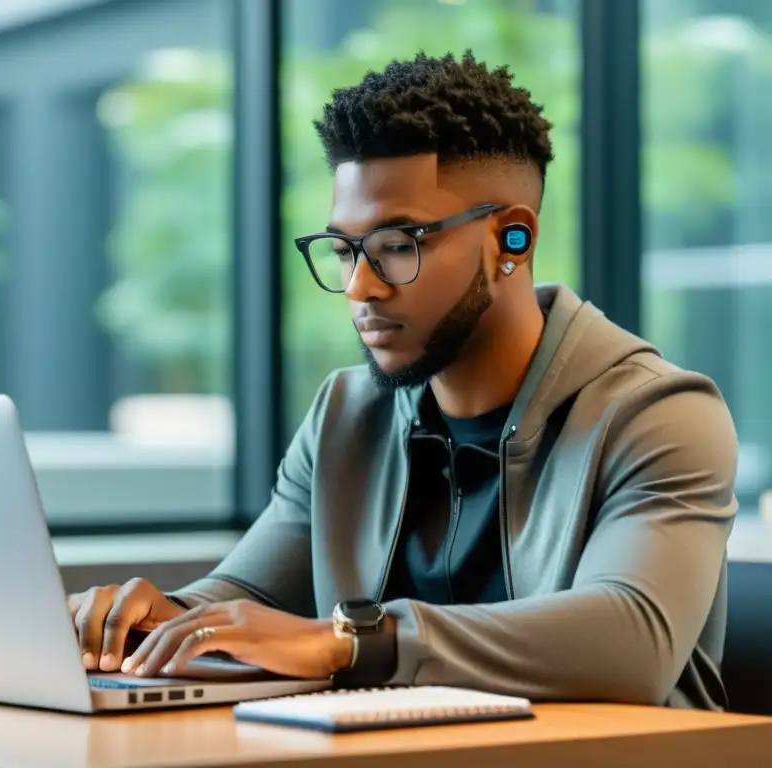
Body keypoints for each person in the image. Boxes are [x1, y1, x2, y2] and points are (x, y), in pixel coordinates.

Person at [68, 50, 738, 709]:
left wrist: (350, 640)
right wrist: (155, 620)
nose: (359, 286)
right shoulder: (344, 413)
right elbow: (251, 595)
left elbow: (631, 642)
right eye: (343, 249)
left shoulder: (658, 414)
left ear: (512, 241)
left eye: (398, 246)